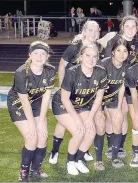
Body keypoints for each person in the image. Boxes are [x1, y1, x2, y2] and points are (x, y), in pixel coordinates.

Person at [49, 20, 101, 165]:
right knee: (63, 124)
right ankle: (55, 151)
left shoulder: (97, 47)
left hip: (84, 93)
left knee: (86, 124)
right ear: (84, 32)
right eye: (90, 30)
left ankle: (83, 150)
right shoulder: (75, 47)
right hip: (70, 92)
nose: (94, 33)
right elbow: (61, 65)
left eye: (96, 30)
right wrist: (62, 87)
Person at [51, 43, 107, 175]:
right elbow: (65, 99)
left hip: (83, 104)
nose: (91, 59)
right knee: (79, 131)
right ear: (81, 56)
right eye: (87, 55)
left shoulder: (100, 72)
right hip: (63, 104)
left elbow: (99, 98)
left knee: (91, 131)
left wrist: (89, 118)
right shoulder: (72, 72)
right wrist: (77, 120)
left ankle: (78, 160)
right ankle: (70, 162)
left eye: (94, 56)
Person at [7, 41, 55, 181]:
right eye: (36, 53)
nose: (39, 57)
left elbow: (46, 97)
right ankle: (23, 172)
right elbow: (24, 101)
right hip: (18, 103)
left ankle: (36, 170)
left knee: (43, 137)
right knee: (32, 137)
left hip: (36, 102)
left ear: (47, 56)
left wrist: (41, 121)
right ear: (30, 55)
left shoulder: (50, 70)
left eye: (43, 54)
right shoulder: (21, 73)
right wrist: (33, 124)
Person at [98, 15, 138, 164]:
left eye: (133, 27)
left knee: (123, 114)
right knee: (111, 116)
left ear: (137, 28)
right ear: (122, 26)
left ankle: (119, 146)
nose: (130, 29)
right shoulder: (114, 40)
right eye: (127, 26)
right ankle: (111, 147)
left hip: (128, 84)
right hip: (112, 85)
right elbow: (106, 63)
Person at [96, 39, 130, 169]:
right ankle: (99, 160)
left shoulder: (126, 67)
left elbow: (121, 87)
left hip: (113, 98)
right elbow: (98, 89)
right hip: (96, 100)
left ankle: (114, 156)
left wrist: (119, 108)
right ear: (112, 52)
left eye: (125, 51)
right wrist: (99, 110)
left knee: (118, 120)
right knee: (99, 125)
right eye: (118, 50)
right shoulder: (103, 65)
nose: (122, 54)